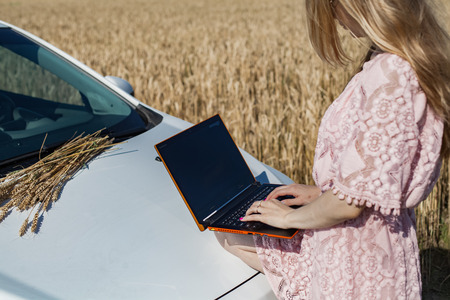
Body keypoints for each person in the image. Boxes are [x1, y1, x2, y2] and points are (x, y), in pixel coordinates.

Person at [215, 0, 450, 299]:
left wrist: (288, 219)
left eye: (330, 7)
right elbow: (376, 175)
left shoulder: (392, 71)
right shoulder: (391, 61)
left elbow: (349, 205)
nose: (333, 19)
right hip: (362, 253)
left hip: (358, 264)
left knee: (230, 237)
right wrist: (321, 193)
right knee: (231, 237)